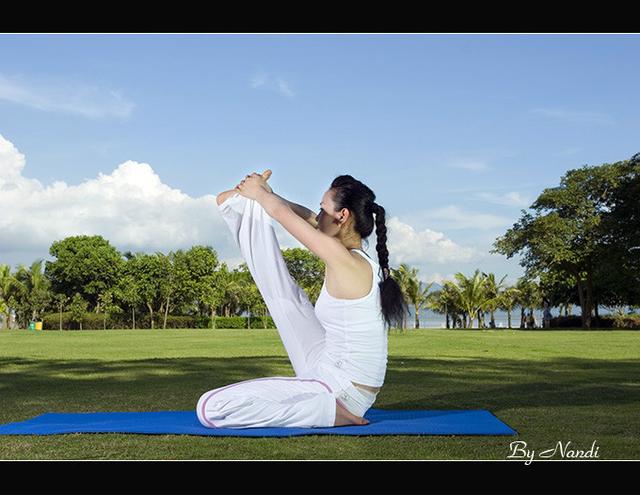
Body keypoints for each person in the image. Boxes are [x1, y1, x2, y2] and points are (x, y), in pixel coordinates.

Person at [196, 170, 406, 428]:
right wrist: (265, 195)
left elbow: (284, 216)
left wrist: (260, 194)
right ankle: (239, 209)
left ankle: (326, 413)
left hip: (340, 390)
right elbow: (310, 219)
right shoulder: (357, 258)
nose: (317, 215)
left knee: (210, 408)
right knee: (285, 296)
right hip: (330, 365)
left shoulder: (345, 260)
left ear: (342, 216)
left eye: (322, 208)